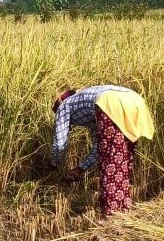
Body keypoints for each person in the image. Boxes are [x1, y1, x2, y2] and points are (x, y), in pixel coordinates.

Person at [52, 85, 155, 216]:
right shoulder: (90, 109)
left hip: (111, 102)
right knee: (123, 159)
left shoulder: (63, 106)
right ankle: (123, 207)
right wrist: (81, 168)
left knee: (110, 161)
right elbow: (98, 146)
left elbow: (59, 142)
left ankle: (111, 212)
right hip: (135, 100)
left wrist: (53, 163)